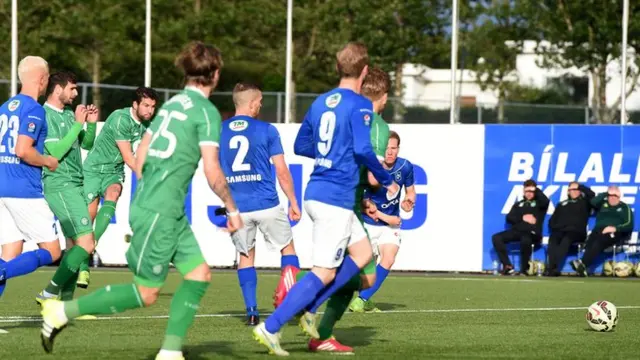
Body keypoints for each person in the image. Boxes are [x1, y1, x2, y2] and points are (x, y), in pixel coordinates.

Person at [40, 41, 243, 360]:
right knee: (146, 292)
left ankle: (170, 352)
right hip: (161, 211)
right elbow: (213, 169)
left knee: (199, 274)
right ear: (215, 74)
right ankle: (62, 311)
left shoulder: (172, 106)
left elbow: (144, 149)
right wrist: (232, 208)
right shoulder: (206, 113)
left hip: (167, 210)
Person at [252, 41, 399, 356]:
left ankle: (310, 308)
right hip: (335, 197)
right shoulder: (359, 105)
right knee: (325, 271)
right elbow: (362, 151)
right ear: (362, 71)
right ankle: (272, 326)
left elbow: (301, 145)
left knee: (362, 257)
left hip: (318, 192)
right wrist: (387, 179)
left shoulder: (320, 102)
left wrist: (330, 152)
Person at [219, 82, 301, 326]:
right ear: (253, 103)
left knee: (245, 256)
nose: (261, 106)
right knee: (288, 249)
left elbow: (213, 171)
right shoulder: (266, 129)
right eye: (260, 102)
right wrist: (293, 201)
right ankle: (286, 297)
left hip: (238, 207)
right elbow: (282, 171)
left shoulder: (217, 131)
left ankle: (252, 311)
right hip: (267, 203)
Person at [77, 86, 158, 289]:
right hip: (93, 169)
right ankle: (83, 266)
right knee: (89, 218)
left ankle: (92, 243)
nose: (150, 110)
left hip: (113, 171)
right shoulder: (121, 118)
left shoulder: (148, 125)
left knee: (114, 192)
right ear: (135, 105)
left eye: (153, 106)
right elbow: (129, 157)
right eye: (146, 105)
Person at [35, 71, 99, 307]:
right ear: (58, 89)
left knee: (73, 245)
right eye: (72, 88)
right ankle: (50, 293)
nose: (75, 94)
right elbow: (57, 152)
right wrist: (78, 123)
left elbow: (87, 144)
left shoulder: (69, 115)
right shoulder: (44, 115)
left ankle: (67, 305)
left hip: (75, 184)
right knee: (86, 244)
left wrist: (89, 126)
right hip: (59, 184)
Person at [0, 56, 59, 305]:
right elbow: (23, 150)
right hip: (24, 191)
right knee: (52, 251)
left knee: (11, 252)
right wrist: (47, 161)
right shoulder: (35, 109)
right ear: (43, 79)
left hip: (2, 187)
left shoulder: (4, 107)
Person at [349, 130, 415, 312]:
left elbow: (410, 192)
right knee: (358, 268)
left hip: (389, 227)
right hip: (368, 224)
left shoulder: (405, 167)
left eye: (393, 148)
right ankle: (363, 296)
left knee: (389, 258)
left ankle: (361, 300)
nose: (390, 152)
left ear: (398, 149)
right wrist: (384, 215)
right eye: (387, 148)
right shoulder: (371, 169)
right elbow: (362, 201)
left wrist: (409, 202)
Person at [571, 185, 634, 277]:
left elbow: (629, 224)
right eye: (610, 195)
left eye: (614, 196)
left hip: (615, 232)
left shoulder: (624, 207)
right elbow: (593, 202)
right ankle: (583, 266)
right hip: (598, 230)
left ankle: (582, 264)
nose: (612, 198)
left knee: (599, 241)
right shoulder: (603, 204)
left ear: (619, 196)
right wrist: (606, 193)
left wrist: (615, 228)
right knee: (590, 242)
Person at [492, 179, 549, 275]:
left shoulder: (540, 204)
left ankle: (524, 269)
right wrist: (522, 217)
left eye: (531, 191)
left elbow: (545, 201)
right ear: (523, 191)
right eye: (527, 191)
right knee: (496, 237)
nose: (529, 193)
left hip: (532, 233)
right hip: (517, 231)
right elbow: (509, 218)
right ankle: (507, 265)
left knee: (525, 239)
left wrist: (536, 190)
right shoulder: (518, 204)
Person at [545, 182, 594, 276]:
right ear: (568, 191)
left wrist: (580, 186)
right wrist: (556, 228)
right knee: (553, 239)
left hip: (576, 232)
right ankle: (551, 268)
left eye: (577, 190)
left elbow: (592, 194)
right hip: (560, 230)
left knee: (566, 240)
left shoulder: (585, 202)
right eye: (572, 190)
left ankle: (553, 267)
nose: (575, 192)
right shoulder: (562, 204)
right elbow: (552, 220)